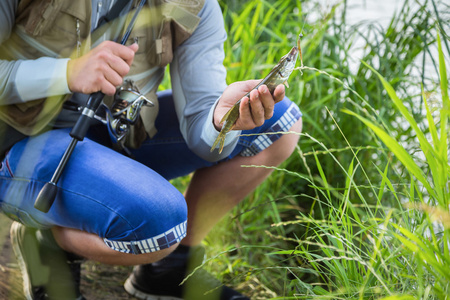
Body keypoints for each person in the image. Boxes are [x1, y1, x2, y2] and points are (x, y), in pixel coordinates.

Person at [0, 0, 303, 299]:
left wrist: (221, 119)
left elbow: (202, 133)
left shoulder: (196, 7)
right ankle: (49, 244)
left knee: (279, 124)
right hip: (20, 144)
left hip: (113, 136)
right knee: (158, 222)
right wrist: (66, 73)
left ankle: (168, 270)